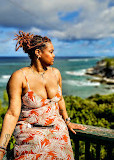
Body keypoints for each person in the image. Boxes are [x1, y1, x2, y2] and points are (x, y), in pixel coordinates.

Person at [0, 31, 86, 160]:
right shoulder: (19, 77)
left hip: (59, 136)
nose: (54, 55)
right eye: (51, 52)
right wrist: (1, 148)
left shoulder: (56, 73)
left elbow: (60, 99)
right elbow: (12, 114)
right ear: (38, 53)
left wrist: (67, 121)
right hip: (31, 139)